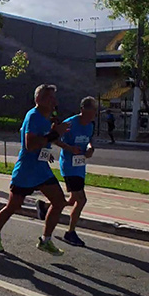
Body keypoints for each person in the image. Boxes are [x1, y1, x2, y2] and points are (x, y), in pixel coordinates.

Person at [0, 84, 70, 255]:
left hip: (41, 170)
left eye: (54, 97)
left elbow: (43, 142)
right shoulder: (33, 116)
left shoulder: (46, 118)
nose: (54, 101)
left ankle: (46, 240)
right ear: (38, 99)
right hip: (26, 171)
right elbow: (30, 144)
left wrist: (52, 148)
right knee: (13, 206)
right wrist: (55, 134)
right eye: (49, 97)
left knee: (59, 201)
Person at [35, 96, 97, 247]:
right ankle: (70, 232)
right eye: (88, 114)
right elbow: (55, 139)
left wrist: (89, 149)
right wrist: (69, 148)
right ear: (82, 110)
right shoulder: (70, 123)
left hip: (80, 165)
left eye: (94, 114)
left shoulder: (90, 125)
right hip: (69, 166)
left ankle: (44, 207)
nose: (91, 117)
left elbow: (89, 140)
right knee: (81, 200)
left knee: (71, 200)